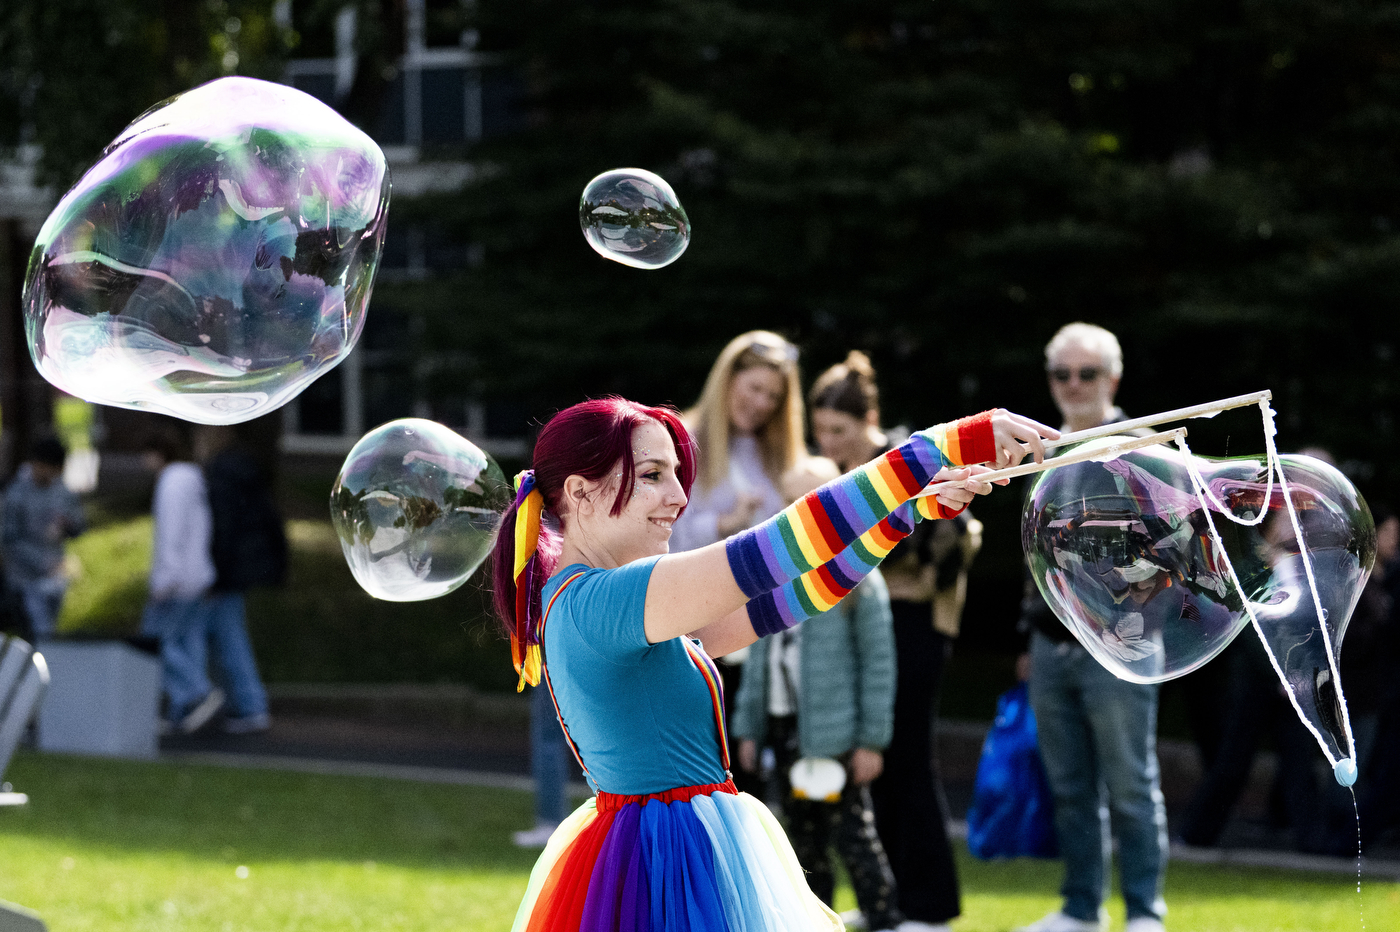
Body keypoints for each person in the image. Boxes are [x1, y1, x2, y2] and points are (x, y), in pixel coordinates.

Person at [490, 395, 1054, 932]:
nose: (680, 498)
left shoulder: (601, 602)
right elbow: (776, 548)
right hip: (670, 855)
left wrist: (906, 509)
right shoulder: (605, 601)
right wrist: (939, 447)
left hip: (663, 847)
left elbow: (801, 594)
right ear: (581, 492)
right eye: (654, 475)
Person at [809, 351, 980, 932]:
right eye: (822, 432)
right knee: (873, 762)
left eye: (840, 430)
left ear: (869, 420)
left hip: (916, 628)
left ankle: (930, 905)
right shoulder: (837, 477)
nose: (829, 442)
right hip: (870, 624)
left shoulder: (900, 465)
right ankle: (891, 896)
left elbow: (947, 541)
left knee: (906, 758)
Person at [1014, 323, 1168, 932]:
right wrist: (1026, 637)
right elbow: (1036, 556)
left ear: (1114, 378)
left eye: (1088, 374)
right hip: (1052, 644)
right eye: (1062, 374)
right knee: (1069, 786)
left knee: (1131, 785)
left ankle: (1143, 912)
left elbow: (1174, 552)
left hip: (1127, 641)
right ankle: (1082, 907)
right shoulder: (1042, 449)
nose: (1074, 387)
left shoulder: (1145, 447)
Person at [732, 456, 901, 932]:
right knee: (802, 838)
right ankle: (815, 917)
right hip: (787, 732)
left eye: (812, 498)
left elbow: (878, 666)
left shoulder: (860, 576)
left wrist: (871, 740)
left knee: (853, 834)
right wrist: (749, 728)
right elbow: (759, 660)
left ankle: (883, 915)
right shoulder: (774, 575)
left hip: (836, 737)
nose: (798, 509)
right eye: (789, 500)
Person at [671, 330, 806, 794]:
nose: (763, 403)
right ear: (728, 379)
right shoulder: (682, 441)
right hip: (699, 627)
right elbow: (661, 534)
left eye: (774, 396)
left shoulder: (773, 454)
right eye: (755, 388)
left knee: (749, 771)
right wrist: (724, 525)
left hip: (762, 631)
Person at [139, 430, 224, 735]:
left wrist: (164, 579)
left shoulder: (171, 482)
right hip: (199, 575)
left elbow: (170, 536)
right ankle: (180, 713)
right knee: (189, 642)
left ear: (157, 453)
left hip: (177, 580)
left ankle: (198, 692)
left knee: (154, 641)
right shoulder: (193, 478)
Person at [200, 426, 282, 735]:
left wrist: (216, 574)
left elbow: (224, 527)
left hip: (229, 568)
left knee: (229, 636)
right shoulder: (245, 467)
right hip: (244, 565)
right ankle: (241, 704)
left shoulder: (221, 472)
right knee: (228, 633)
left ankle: (249, 706)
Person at [1, 435, 86, 641]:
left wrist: (69, 524)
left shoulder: (61, 491)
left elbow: (79, 526)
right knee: (39, 636)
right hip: (24, 579)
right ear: (38, 464)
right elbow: (9, 540)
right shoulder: (16, 494)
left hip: (54, 577)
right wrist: (42, 563)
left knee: (49, 632)